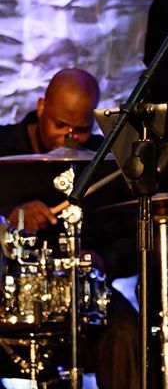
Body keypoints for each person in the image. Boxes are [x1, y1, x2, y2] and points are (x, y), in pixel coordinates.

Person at [0, 68, 140, 389]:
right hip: (7, 292)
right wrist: (9, 217)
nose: (68, 137)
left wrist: (103, 259)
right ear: (40, 108)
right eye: (59, 124)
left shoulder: (105, 163)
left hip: (81, 297)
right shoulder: (3, 149)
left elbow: (133, 239)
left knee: (126, 332)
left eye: (80, 129)